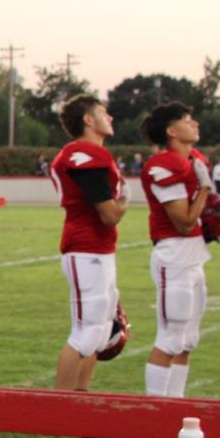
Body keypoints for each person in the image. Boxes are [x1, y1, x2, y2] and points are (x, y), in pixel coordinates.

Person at [138, 102, 214, 398]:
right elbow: (183, 221)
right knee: (170, 338)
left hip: (193, 256)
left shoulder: (192, 159)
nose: (194, 123)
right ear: (171, 131)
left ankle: (176, 405)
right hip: (174, 255)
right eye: (187, 119)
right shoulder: (164, 164)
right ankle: (156, 412)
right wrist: (205, 190)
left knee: (187, 340)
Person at [50, 94, 126, 392]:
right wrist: (123, 202)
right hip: (86, 248)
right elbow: (108, 214)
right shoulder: (83, 152)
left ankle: (81, 399)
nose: (110, 117)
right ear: (88, 120)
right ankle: (62, 405)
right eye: (104, 112)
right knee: (85, 332)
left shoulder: (89, 153)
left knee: (101, 330)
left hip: (98, 249)